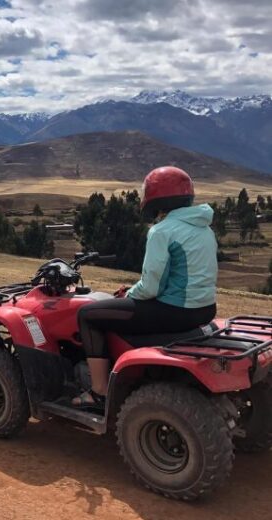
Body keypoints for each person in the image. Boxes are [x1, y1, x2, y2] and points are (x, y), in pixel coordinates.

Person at [73, 166, 218, 409]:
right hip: (205, 309)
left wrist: (130, 293)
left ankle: (99, 392)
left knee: (88, 315)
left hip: (175, 311)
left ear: (155, 198)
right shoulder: (204, 227)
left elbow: (150, 288)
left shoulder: (162, 231)